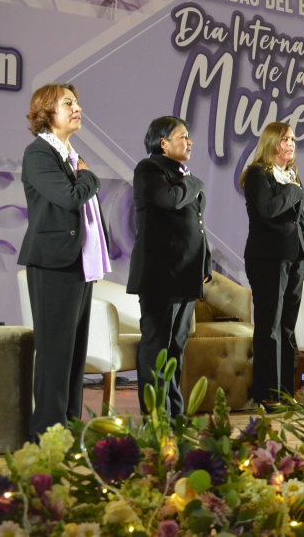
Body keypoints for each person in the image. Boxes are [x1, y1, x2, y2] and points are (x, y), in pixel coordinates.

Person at [18, 84, 110, 438]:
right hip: (54, 262)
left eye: (77, 102)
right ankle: (46, 435)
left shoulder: (70, 154)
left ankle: (68, 430)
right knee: (55, 354)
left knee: (73, 355)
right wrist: (89, 176)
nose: (77, 108)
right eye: (68, 103)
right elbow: (70, 198)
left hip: (77, 263)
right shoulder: (39, 153)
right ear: (47, 112)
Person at [127, 116, 210, 415]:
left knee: (176, 346)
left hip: (186, 274)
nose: (189, 142)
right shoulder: (149, 168)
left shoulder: (180, 174)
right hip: (160, 275)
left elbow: (196, 226)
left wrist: (204, 264)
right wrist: (195, 181)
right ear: (163, 143)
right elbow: (170, 199)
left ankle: (174, 414)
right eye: (183, 136)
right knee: (157, 346)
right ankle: (155, 416)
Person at [241, 122, 304, 407]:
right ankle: (267, 394)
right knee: (269, 327)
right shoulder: (258, 174)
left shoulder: (292, 176)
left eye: (293, 139)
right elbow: (267, 210)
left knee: (287, 328)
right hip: (267, 258)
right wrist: (293, 191)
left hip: (294, 257)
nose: (291, 144)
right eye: (285, 139)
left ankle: (285, 392)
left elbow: (300, 221)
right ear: (272, 142)